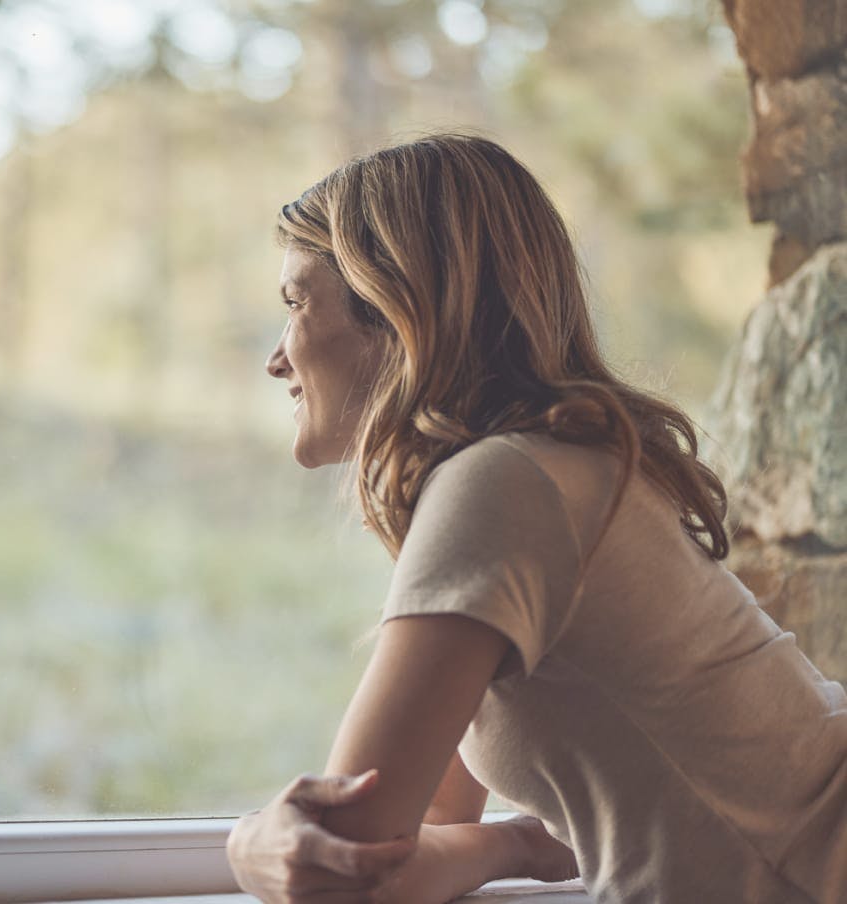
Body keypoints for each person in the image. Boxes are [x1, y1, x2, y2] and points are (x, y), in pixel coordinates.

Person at [225, 134, 847, 903]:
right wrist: (514, 842)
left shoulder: (505, 485)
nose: (276, 358)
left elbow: (340, 862)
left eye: (296, 303)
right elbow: (398, 851)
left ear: (395, 307)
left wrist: (244, 841)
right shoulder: (532, 469)